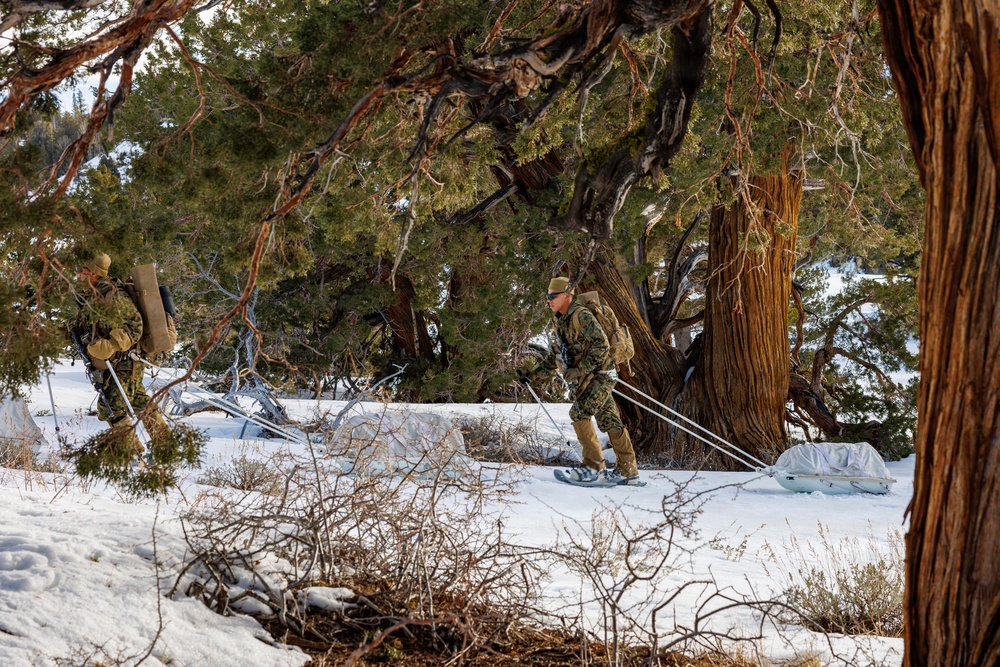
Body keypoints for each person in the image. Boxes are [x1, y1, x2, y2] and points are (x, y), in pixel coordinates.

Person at [522, 276, 640, 485]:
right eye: (547, 296)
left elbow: (601, 346)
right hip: (592, 377)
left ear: (568, 296)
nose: (548, 300)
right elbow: (554, 357)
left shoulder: (581, 316)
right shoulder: (562, 322)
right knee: (610, 420)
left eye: (552, 296)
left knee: (579, 412)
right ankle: (629, 473)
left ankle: (594, 469)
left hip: (602, 375)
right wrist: (532, 375)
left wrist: (579, 369)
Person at [72, 253, 171, 458]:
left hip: (125, 361)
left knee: (111, 407)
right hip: (114, 363)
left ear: (93, 273)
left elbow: (135, 326)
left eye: (81, 271)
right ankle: (166, 447)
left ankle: (135, 455)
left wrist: (110, 345)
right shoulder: (90, 296)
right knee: (138, 401)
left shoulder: (113, 295)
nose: (78, 275)